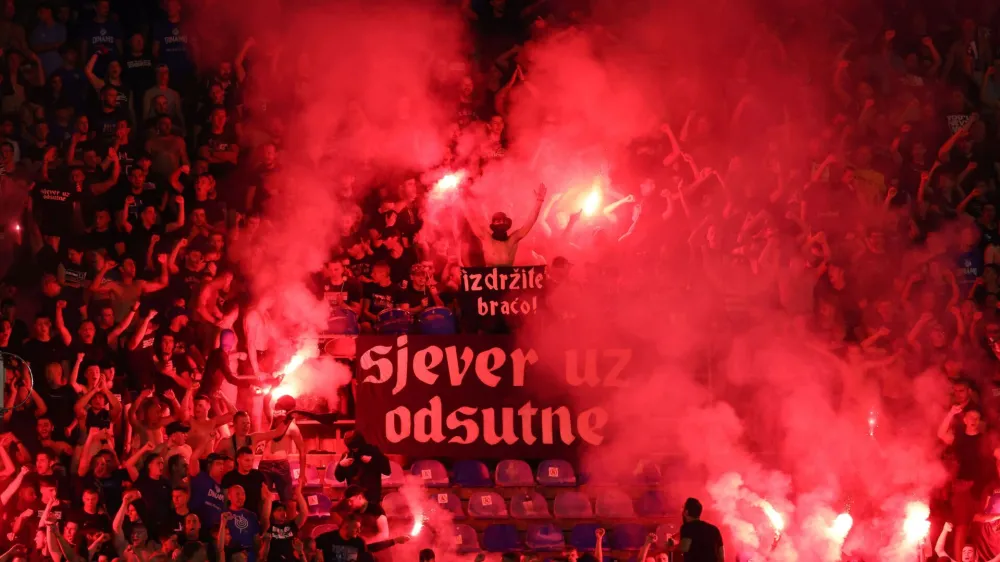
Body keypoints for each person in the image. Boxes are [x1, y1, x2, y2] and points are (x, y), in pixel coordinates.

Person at [463, 184, 547, 266]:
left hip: (509, 278)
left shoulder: (513, 239)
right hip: (490, 278)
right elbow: (472, 220)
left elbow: (530, 222)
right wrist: (463, 200)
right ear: (493, 224)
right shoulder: (486, 238)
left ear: (507, 224)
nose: (501, 223)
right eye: (498, 221)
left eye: (503, 221)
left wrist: (539, 201)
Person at [313, 514, 409, 562]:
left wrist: (395, 541)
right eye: (356, 528)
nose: (359, 531)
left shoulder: (358, 542)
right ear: (346, 526)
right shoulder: (325, 539)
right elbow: (308, 550)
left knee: (369, 557)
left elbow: (371, 548)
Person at [677, 498, 723, 562]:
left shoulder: (687, 527)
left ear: (686, 512)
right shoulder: (714, 529)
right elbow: (721, 556)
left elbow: (684, 548)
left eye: (683, 508)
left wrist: (673, 546)